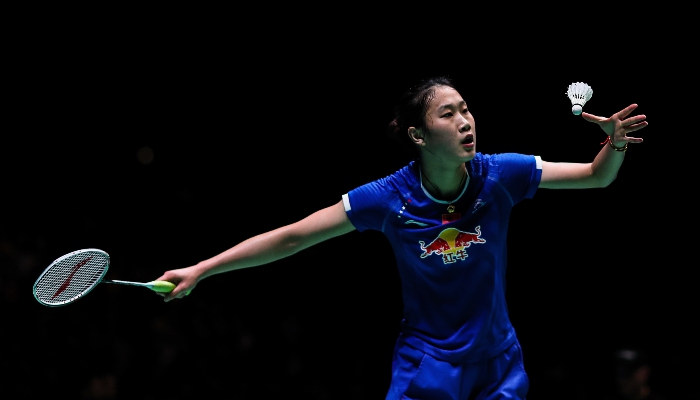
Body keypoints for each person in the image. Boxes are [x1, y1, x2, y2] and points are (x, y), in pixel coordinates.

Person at [155, 75, 648, 399]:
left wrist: (616, 143)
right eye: (447, 114)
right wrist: (203, 269)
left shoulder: (501, 174)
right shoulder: (389, 198)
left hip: (498, 363)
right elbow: (292, 237)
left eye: (466, 109)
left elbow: (595, 176)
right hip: (426, 366)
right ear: (418, 135)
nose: (465, 121)